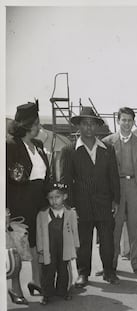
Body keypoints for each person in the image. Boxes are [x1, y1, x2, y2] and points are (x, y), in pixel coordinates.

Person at [60, 107, 120, 287]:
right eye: (85, 124)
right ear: (78, 126)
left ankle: (109, 271)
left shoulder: (108, 149)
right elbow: (65, 180)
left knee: (107, 241)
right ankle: (83, 274)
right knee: (83, 243)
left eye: (92, 124)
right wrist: (70, 206)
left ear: (97, 127)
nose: (88, 128)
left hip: (104, 203)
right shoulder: (69, 150)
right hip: (81, 204)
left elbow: (114, 177)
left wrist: (116, 200)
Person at [6, 100, 50, 297]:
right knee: (16, 246)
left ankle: (36, 281)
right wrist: (5, 210)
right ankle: (15, 288)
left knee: (37, 244)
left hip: (40, 201)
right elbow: (6, 181)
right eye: (36, 123)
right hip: (19, 201)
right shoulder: (10, 145)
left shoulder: (39, 145)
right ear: (26, 124)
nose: (39, 126)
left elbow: (46, 177)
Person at [102, 107, 137, 275]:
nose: (126, 123)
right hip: (116, 189)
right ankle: (111, 265)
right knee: (114, 229)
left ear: (133, 122)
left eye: (129, 120)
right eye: (123, 120)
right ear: (118, 121)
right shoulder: (107, 141)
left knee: (136, 228)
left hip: (136, 188)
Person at [36, 182, 79, 305]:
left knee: (63, 269)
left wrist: (75, 245)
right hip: (48, 247)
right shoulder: (42, 214)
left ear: (64, 197)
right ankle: (47, 294)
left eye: (57, 197)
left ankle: (63, 291)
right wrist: (40, 247)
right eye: (50, 198)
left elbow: (75, 231)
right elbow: (39, 232)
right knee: (48, 270)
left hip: (64, 246)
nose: (54, 201)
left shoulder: (70, 213)